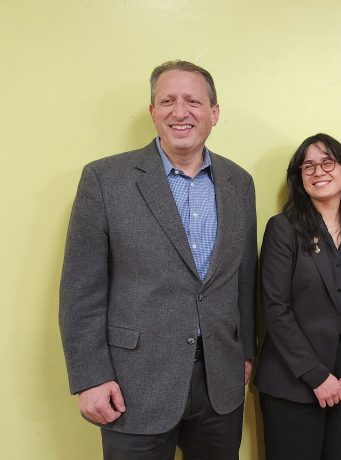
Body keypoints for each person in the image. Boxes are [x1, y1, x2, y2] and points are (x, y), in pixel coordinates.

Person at [58, 60, 257, 459]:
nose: (179, 112)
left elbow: (244, 279)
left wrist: (246, 352)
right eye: (167, 100)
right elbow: (81, 288)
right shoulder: (105, 179)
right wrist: (91, 377)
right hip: (134, 386)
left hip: (220, 384)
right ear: (152, 112)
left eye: (193, 101)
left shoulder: (239, 182)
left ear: (214, 113)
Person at [254, 133, 341, 460]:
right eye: (308, 166)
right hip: (293, 384)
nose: (318, 171)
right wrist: (316, 376)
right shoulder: (283, 228)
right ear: (299, 178)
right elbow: (275, 309)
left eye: (327, 162)